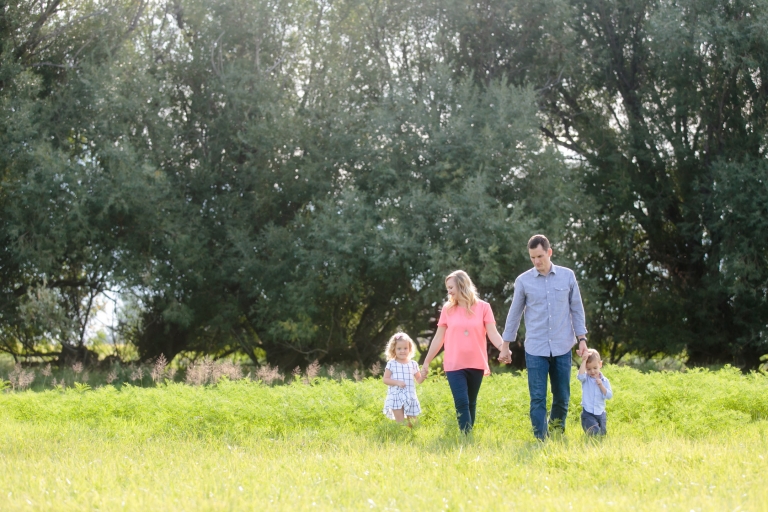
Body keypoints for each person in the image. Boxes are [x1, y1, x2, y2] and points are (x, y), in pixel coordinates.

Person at [499, 234, 588, 440]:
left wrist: (582, 339)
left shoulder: (567, 276)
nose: (536, 261)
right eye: (532, 257)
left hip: (562, 346)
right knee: (538, 398)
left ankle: (556, 434)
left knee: (562, 397)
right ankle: (540, 438)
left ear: (549, 252)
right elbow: (514, 314)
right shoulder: (523, 281)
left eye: (540, 256)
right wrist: (505, 345)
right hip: (536, 349)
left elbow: (577, 309)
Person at [420, 270, 505, 433]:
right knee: (461, 402)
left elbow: (493, 333)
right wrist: (427, 361)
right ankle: (465, 436)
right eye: (448, 288)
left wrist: (504, 349)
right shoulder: (447, 309)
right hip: (454, 364)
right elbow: (438, 338)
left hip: (476, 362)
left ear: (462, 285)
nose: (449, 291)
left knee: (471, 402)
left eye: (451, 287)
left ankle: (468, 437)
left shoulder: (484, 307)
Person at [382, 332, 425, 426]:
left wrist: (423, 375)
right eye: (399, 348)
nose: (402, 351)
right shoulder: (391, 364)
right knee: (401, 424)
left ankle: (411, 435)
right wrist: (397, 382)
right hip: (396, 397)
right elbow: (385, 379)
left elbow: (419, 380)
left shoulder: (413, 364)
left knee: (413, 424)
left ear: (410, 349)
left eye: (405, 348)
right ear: (394, 349)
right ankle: (401, 435)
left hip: (410, 397)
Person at [578, 349, 613, 436]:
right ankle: (590, 432)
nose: (592, 371)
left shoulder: (604, 381)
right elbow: (580, 376)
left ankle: (597, 436)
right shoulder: (586, 379)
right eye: (588, 369)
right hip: (588, 412)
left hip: (600, 412)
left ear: (600, 364)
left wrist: (601, 386)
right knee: (595, 432)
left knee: (602, 434)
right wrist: (584, 360)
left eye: (595, 368)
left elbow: (609, 395)